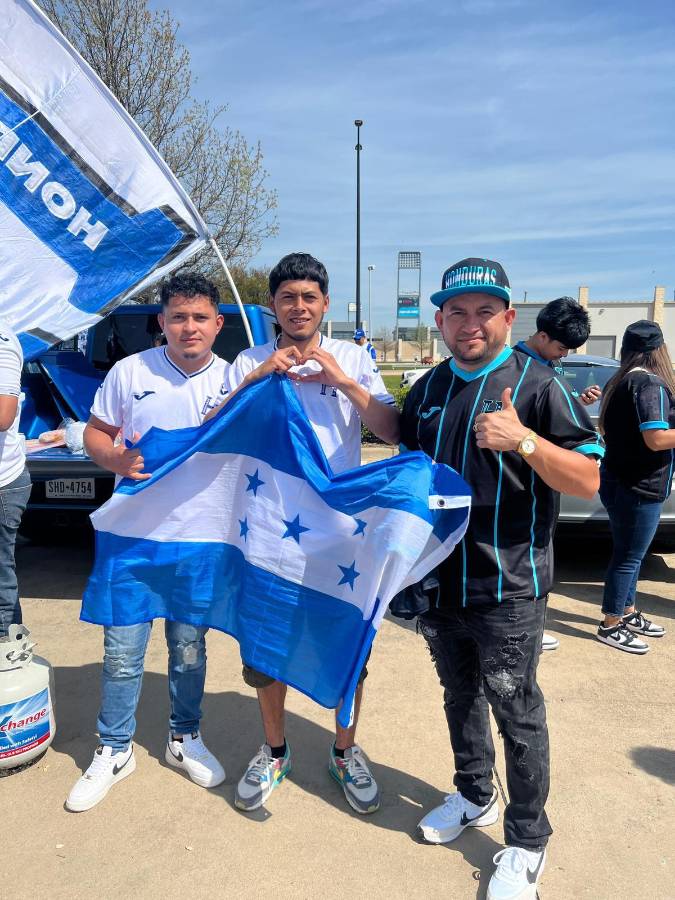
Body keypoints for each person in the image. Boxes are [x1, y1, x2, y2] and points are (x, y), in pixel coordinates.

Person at [399, 257, 602, 899]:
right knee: (459, 698)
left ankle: (526, 841)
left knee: (516, 712)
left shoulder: (538, 385)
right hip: (440, 585)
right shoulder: (428, 387)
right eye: (457, 311)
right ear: (440, 320)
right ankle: (472, 794)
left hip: (508, 589)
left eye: (485, 310)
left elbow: (592, 481)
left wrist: (524, 443)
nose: (470, 323)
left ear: (508, 317)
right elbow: (402, 457)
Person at [223, 253, 399, 814]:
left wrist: (342, 381)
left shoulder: (352, 357)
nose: (298, 306)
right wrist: (255, 378)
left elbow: (391, 428)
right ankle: (275, 750)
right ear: (272, 305)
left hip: (337, 535)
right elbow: (211, 428)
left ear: (325, 303)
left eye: (309, 297)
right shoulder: (248, 358)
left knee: (349, 646)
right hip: (267, 533)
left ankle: (345, 751)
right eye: (287, 297)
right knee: (265, 652)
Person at [66, 273, 229, 812]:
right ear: (162, 323)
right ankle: (114, 748)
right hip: (133, 539)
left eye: (200, 317)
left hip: (199, 540)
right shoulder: (129, 371)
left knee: (188, 650)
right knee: (121, 654)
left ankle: (184, 737)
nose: (189, 327)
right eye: (178, 317)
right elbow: (95, 432)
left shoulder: (233, 381)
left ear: (217, 324)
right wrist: (112, 458)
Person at [513, 296, 594, 651]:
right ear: (542, 335)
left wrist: (578, 401)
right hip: (514, 489)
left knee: (539, 554)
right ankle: (524, 627)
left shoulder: (551, 371)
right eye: (562, 348)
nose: (563, 356)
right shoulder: (510, 370)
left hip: (545, 485)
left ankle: (532, 623)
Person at [596, 320, 670, 653]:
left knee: (631, 554)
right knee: (629, 556)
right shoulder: (650, 384)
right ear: (658, 350)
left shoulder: (620, 380)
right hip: (640, 486)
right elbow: (655, 440)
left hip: (618, 481)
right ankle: (610, 623)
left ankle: (625, 611)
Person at [0, 321, 32, 639]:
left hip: (2, 483)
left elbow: (3, 414)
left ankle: (9, 653)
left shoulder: (3, 341)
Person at [513, 296, 601, 406]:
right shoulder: (510, 364)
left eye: (568, 349)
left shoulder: (555, 363)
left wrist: (581, 401)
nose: (564, 355)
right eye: (561, 348)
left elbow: (560, 404)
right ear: (543, 337)